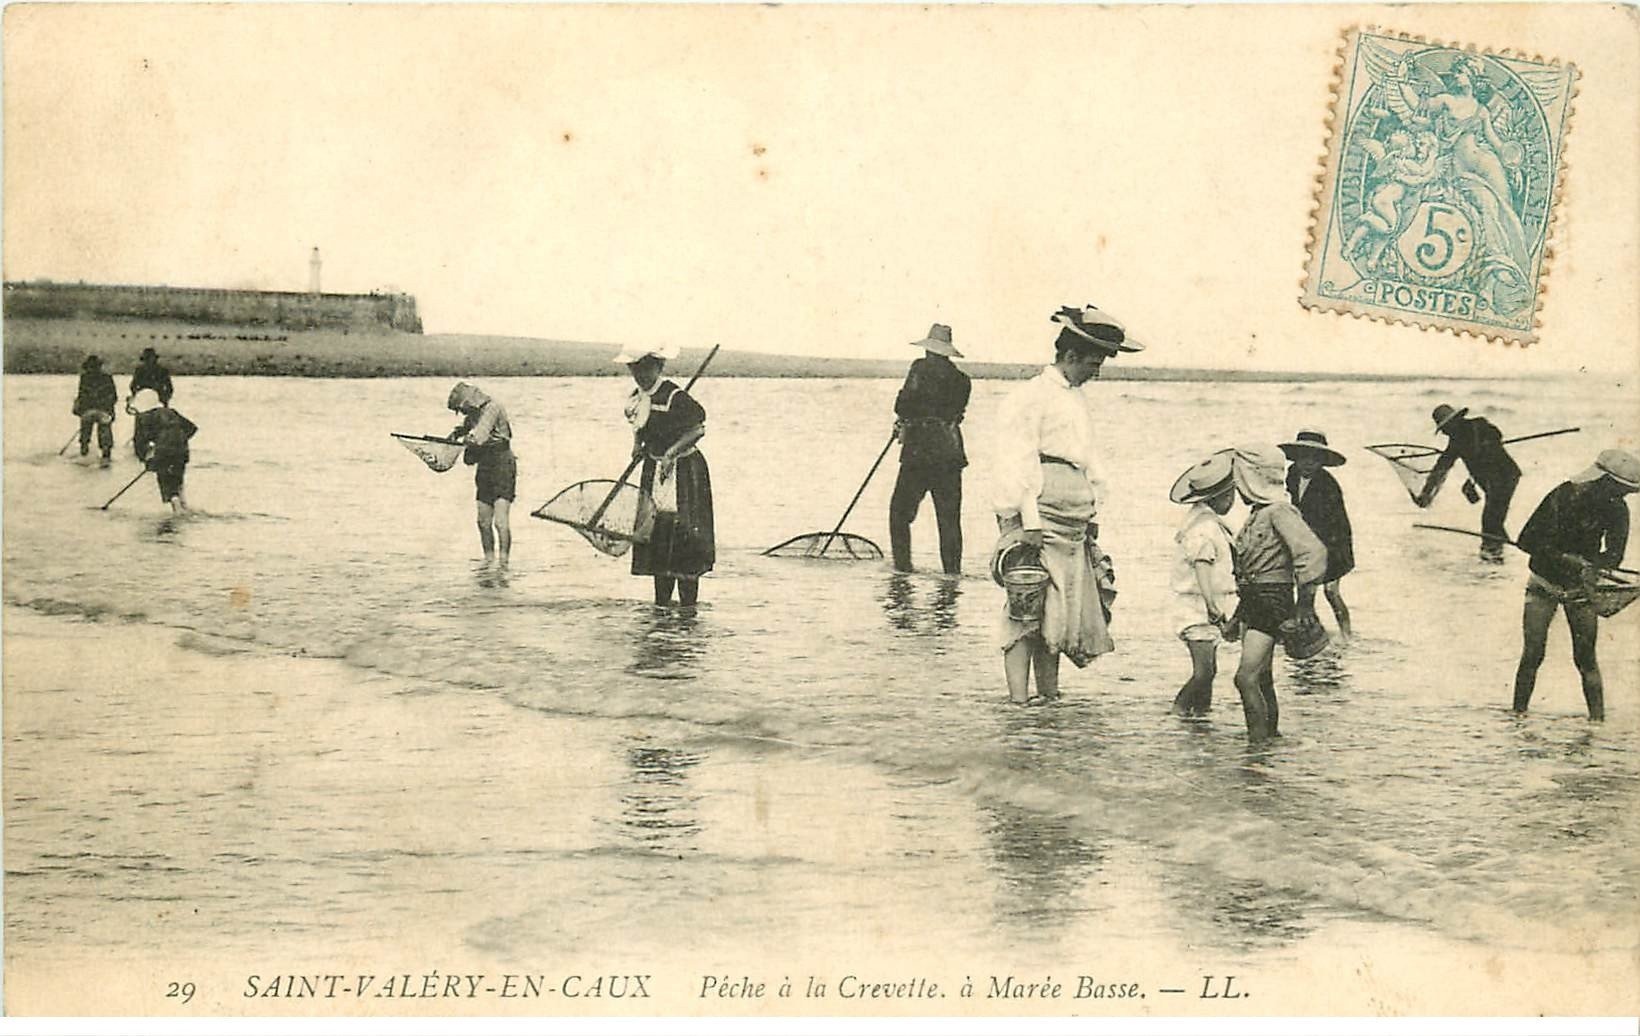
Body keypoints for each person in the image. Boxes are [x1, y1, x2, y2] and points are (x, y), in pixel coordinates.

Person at [990, 304, 1139, 704]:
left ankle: (1048, 695)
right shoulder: (1030, 396)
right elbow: (1017, 458)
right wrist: (1030, 519)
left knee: (1059, 609)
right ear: (1069, 356)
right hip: (1039, 516)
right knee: (1026, 604)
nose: (1097, 371)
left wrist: (1093, 514)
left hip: (1072, 523)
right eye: (1093, 363)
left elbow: (1088, 460)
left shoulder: (1075, 398)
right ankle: (1019, 700)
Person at [1511, 449, 1639, 721]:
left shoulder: (1617, 509)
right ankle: (1517, 718)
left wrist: (1594, 565)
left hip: (1581, 588)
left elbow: (1614, 556)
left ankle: (1597, 724)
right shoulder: (1563, 495)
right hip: (1543, 582)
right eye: (1620, 489)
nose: (1623, 496)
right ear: (1604, 480)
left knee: (1585, 658)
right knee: (1533, 654)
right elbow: (1526, 540)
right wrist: (1567, 559)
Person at [1228, 445, 1328, 740]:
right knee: (1262, 678)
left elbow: (1312, 553)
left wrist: (1306, 606)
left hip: (1272, 602)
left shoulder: (1279, 511)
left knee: (1245, 678)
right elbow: (1248, 572)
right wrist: (1237, 616)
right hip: (1254, 602)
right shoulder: (1258, 514)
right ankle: (1269, 741)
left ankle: (1256, 747)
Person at [619, 344, 715, 607]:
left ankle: (687, 611)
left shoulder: (674, 396)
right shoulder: (637, 396)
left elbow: (697, 429)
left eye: (644, 368)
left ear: (658, 367)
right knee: (658, 534)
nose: (639, 374)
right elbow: (640, 425)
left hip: (684, 471)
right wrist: (637, 446)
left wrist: (672, 452)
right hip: (654, 469)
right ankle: (661, 608)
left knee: (685, 537)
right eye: (634, 368)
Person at [889, 323, 972, 575]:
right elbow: (958, 413)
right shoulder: (962, 380)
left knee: (899, 514)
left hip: (919, 452)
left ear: (929, 350)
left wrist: (904, 420)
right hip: (950, 453)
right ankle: (952, 577)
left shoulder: (919, 368)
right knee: (949, 520)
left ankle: (902, 572)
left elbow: (902, 405)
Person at [1167, 452, 1239, 717]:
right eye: (1229, 496)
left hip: (1199, 607)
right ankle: (1178, 711)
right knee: (1204, 671)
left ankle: (1201, 715)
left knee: (1209, 671)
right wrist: (1211, 605)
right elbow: (1202, 567)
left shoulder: (1200, 521)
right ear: (1216, 497)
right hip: (1198, 608)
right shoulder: (1205, 529)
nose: (1232, 501)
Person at [1418, 403, 1520, 562]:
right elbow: (1442, 467)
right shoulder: (1455, 442)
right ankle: (1501, 553)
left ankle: (1494, 556)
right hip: (1490, 481)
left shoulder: (1478, 425)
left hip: (1505, 476)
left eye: (1445, 427)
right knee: (1493, 518)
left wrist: (1485, 444)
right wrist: (1426, 493)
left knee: (1491, 518)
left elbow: (1496, 434)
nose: (1444, 431)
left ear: (1454, 422)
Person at [1281, 428, 1355, 638]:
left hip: (1333, 544)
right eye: (1304, 458)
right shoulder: (1290, 476)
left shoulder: (1328, 485)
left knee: (1330, 591)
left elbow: (1334, 526)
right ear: (1296, 458)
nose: (1308, 463)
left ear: (1322, 461)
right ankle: (1310, 634)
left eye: (1314, 459)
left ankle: (1346, 634)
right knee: (1306, 592)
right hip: (1304, 543)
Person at [446, 382, 515, 568]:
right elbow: (465, 429)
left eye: (462, 409)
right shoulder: (473, 414)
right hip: (485, 465)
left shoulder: (492, 408)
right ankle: (488, 562)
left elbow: (479, 437)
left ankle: (503, 564)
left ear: (469, 402)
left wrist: (465, 442)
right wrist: (455, 434)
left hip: (502, 464)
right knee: (483, 521)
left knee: (500, 521)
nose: (462, 413)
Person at [130, 389, 198, 515]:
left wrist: (146, 458)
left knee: (165, 480)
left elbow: (139, 442)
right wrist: (179, 440)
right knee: (177, 478)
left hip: (163, 451)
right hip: (181, 450)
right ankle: (184, 506)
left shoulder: (143, 417)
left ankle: (177, 510)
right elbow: (191, 428)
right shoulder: (171, 412)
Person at [72, 354, 118, 465]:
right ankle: (98, 451)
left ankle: (88, 449)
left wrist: (82, 409)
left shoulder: (86, 378)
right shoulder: (102, 378)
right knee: (98, 429)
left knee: (91, 428)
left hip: (99, 410)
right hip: (99, 410)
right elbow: (113, 397)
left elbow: (112, 397)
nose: (92, 369)